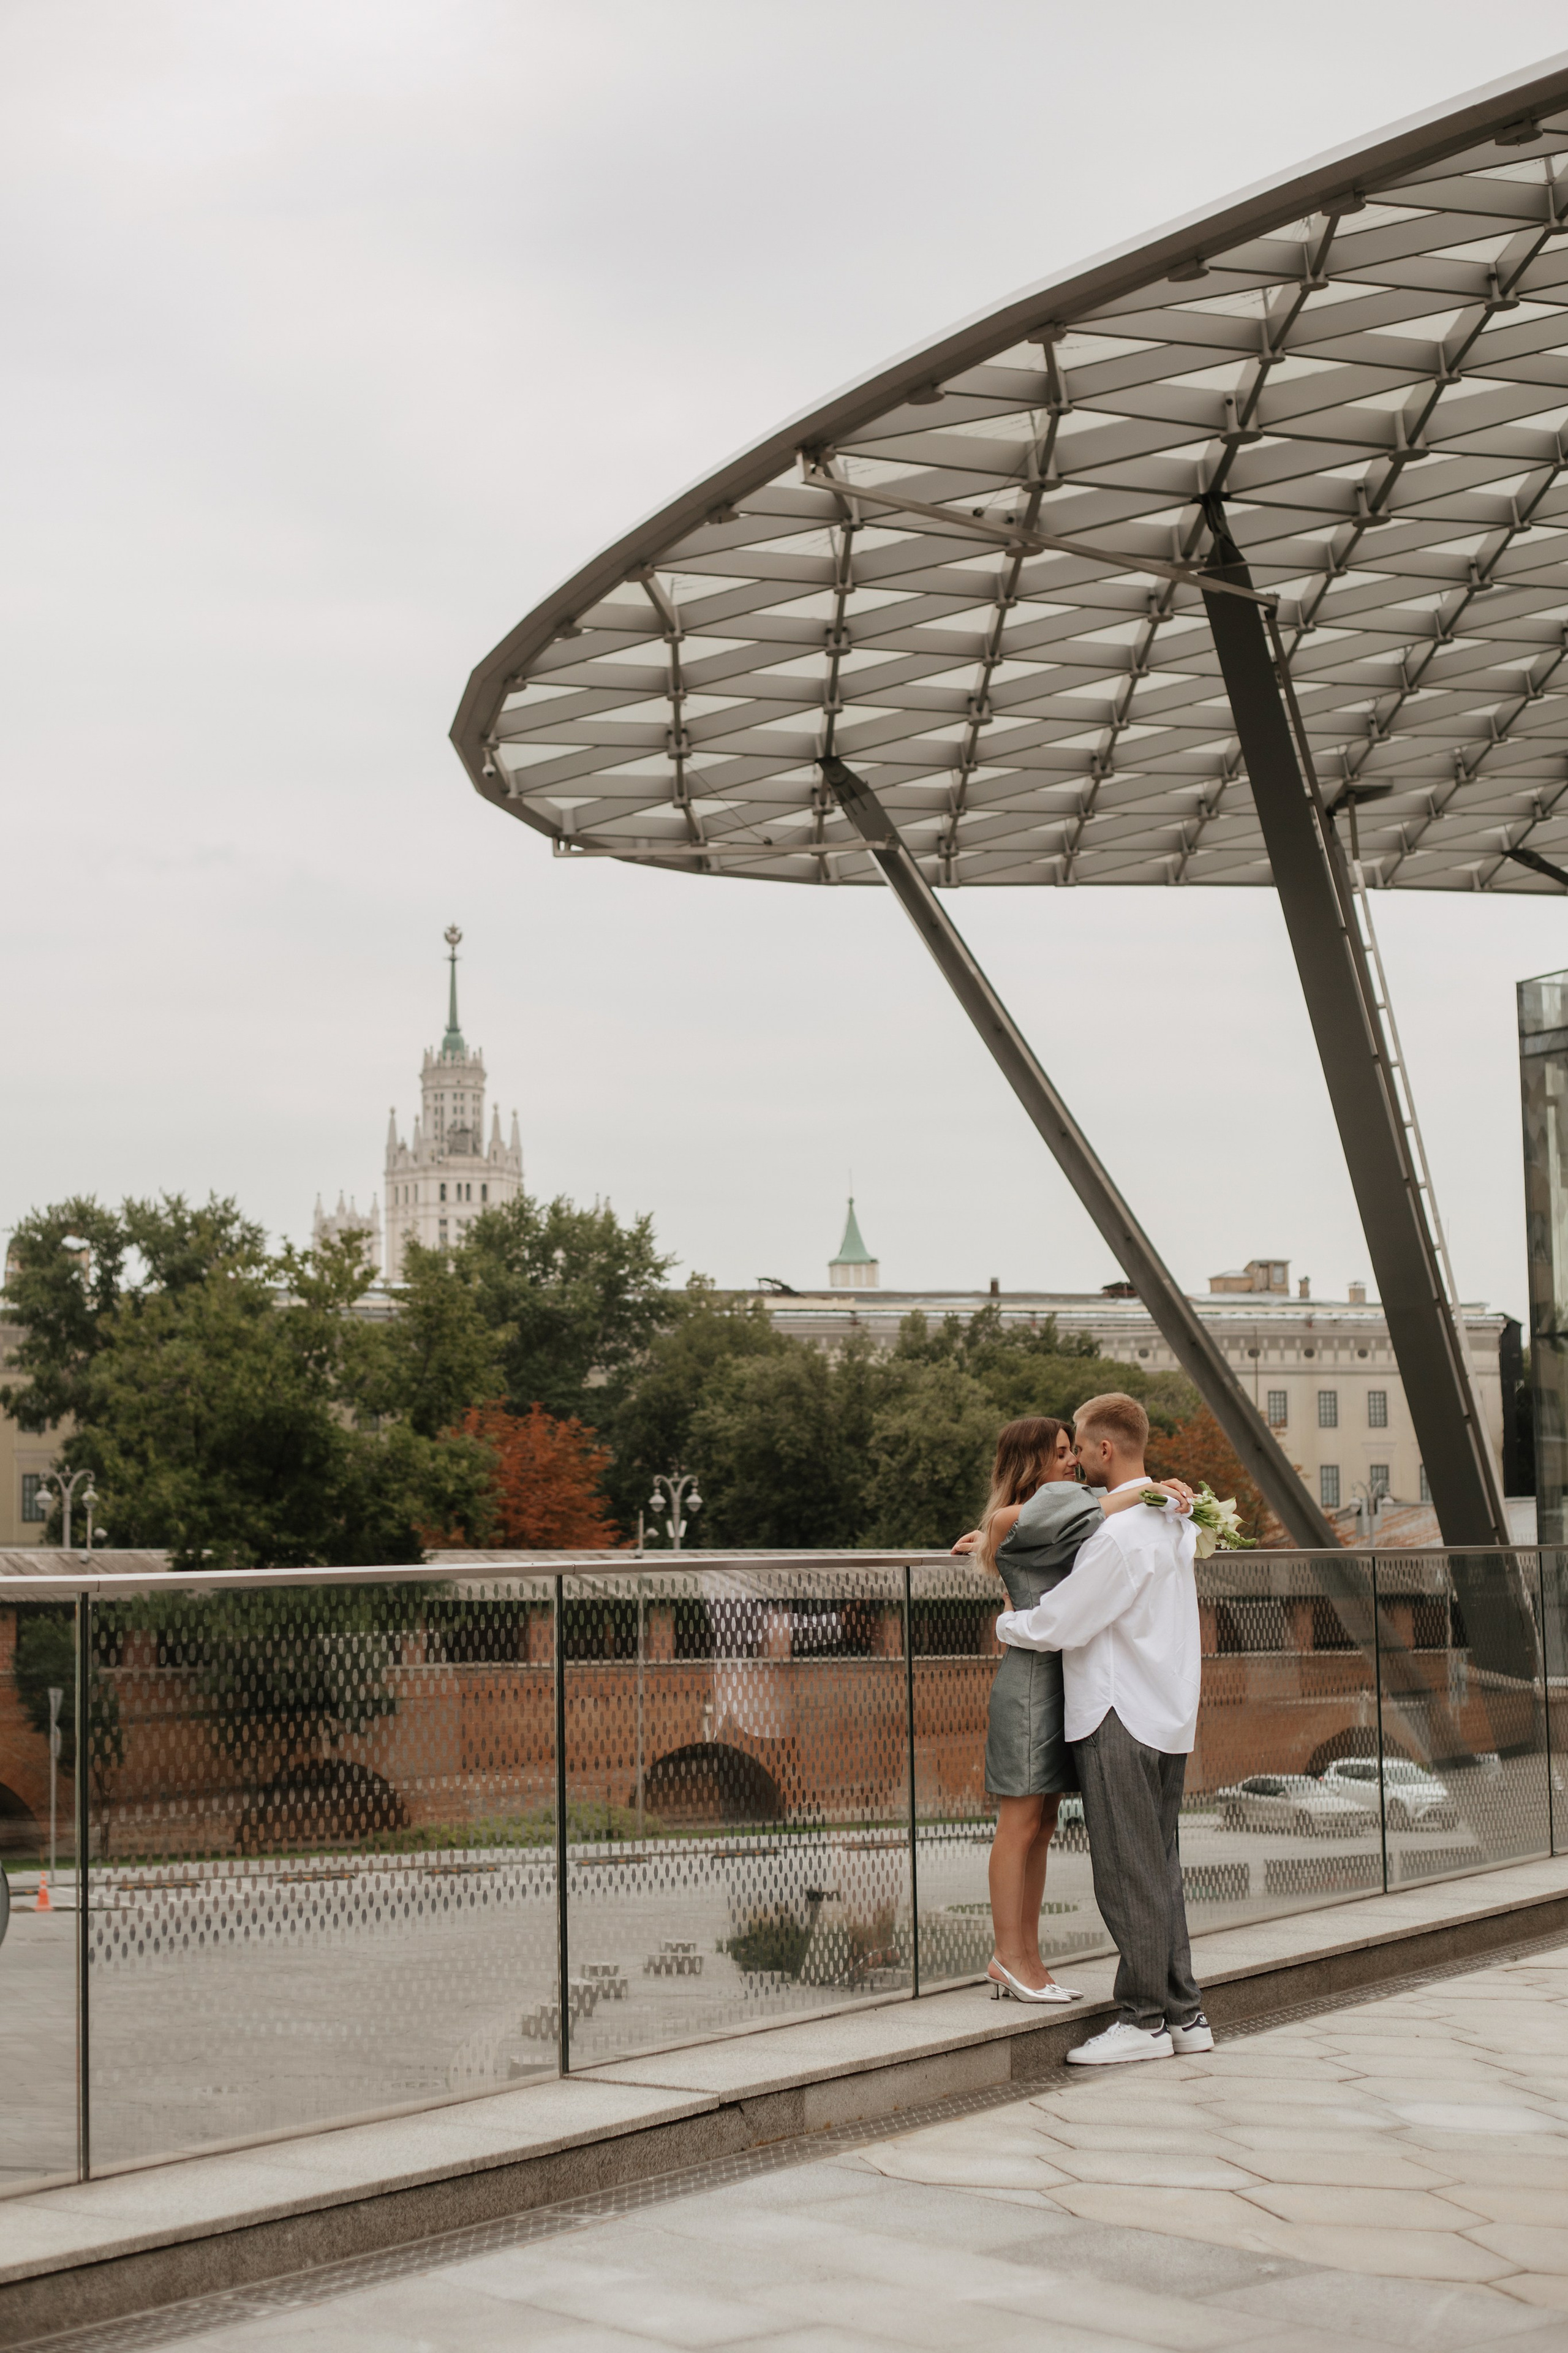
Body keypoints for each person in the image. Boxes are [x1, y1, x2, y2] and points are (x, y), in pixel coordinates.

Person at [993, 1391, 1213, 2066]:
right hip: (1169, 1711)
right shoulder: (1177, 1521)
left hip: (1119, 1712)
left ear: (1105, 1449)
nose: (1076, 1459)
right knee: (1160, 1870)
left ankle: (1142, 2021)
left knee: (1126, 1873)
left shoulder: (1119, 1534)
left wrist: (1007, 1623)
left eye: (1079, 1448)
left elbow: (1065, 1621)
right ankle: (1185, 2014)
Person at [952, 1416, 1187, 2007]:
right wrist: (1158, 1487)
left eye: (1071, 1451)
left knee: (1045, 1824)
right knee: (1020, 1823)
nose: (1071, 1462)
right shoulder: (1023, 1517)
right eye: (1059, 1453)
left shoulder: (1060, 1513)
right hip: (1031, 1685)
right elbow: (1089, 1512)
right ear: (1029, 1461)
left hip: (1066, 1681)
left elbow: (1085, 1520)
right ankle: (1009, 1957)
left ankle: (1028, 1957)